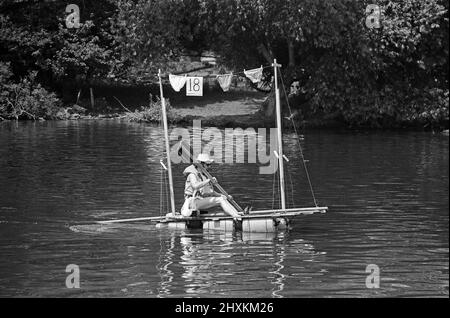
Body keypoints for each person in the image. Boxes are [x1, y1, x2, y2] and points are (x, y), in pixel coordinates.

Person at [182, 153, 244, 220]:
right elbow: (195, 186)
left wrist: (225, 196)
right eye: (208, 165)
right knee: (220, 200)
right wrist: (208, 181)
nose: (209, 167)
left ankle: (236, 214)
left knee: (223, 198)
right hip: (192, 202)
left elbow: (212, 192)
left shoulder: (205, 176)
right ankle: (236, 217)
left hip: (200, 200)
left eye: (210, 165)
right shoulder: (192, 174)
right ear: (201, 164)